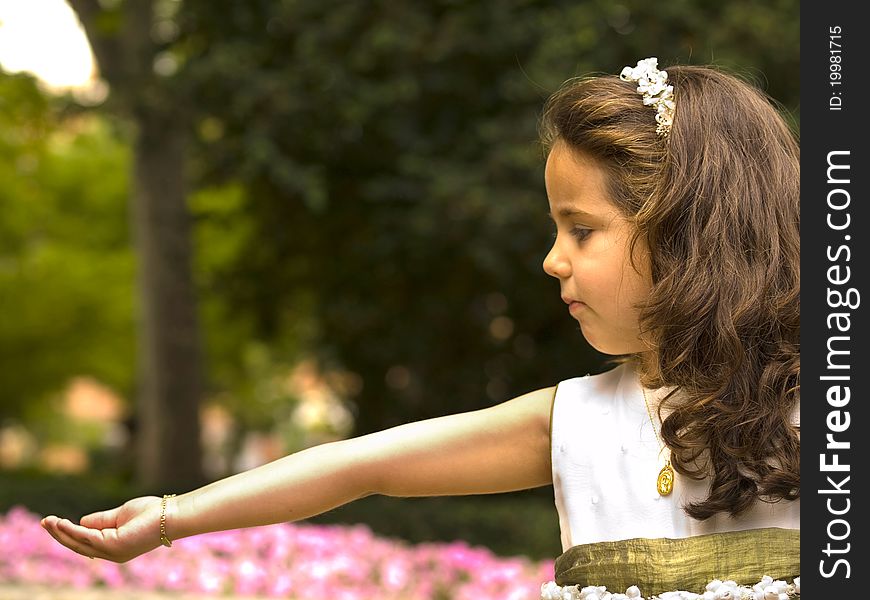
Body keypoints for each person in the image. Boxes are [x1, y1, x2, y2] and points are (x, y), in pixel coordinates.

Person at [41, 57, 800, 599]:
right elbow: (358, 465)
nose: (551, 260)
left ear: (683, 231)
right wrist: (172, 517)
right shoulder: (575, 421)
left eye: (580, 230)